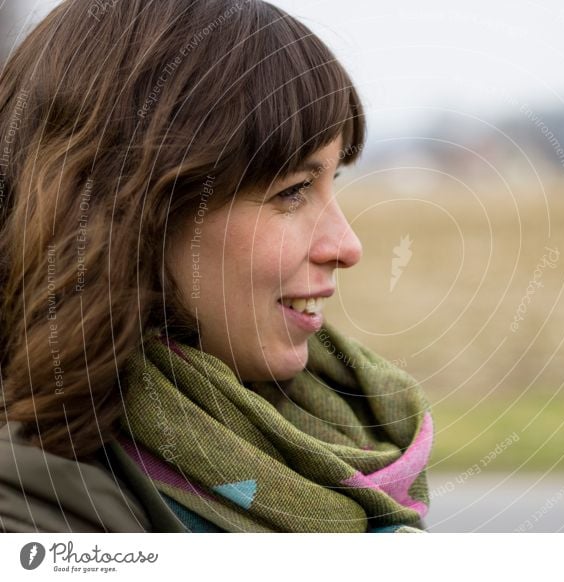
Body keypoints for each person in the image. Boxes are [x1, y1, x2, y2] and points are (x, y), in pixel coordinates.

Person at [0, 0, 433, 533]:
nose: (347, 245)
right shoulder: (35, 508)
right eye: (293, 191)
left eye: (330, 183)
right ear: (134, 215)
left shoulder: (341, 425)